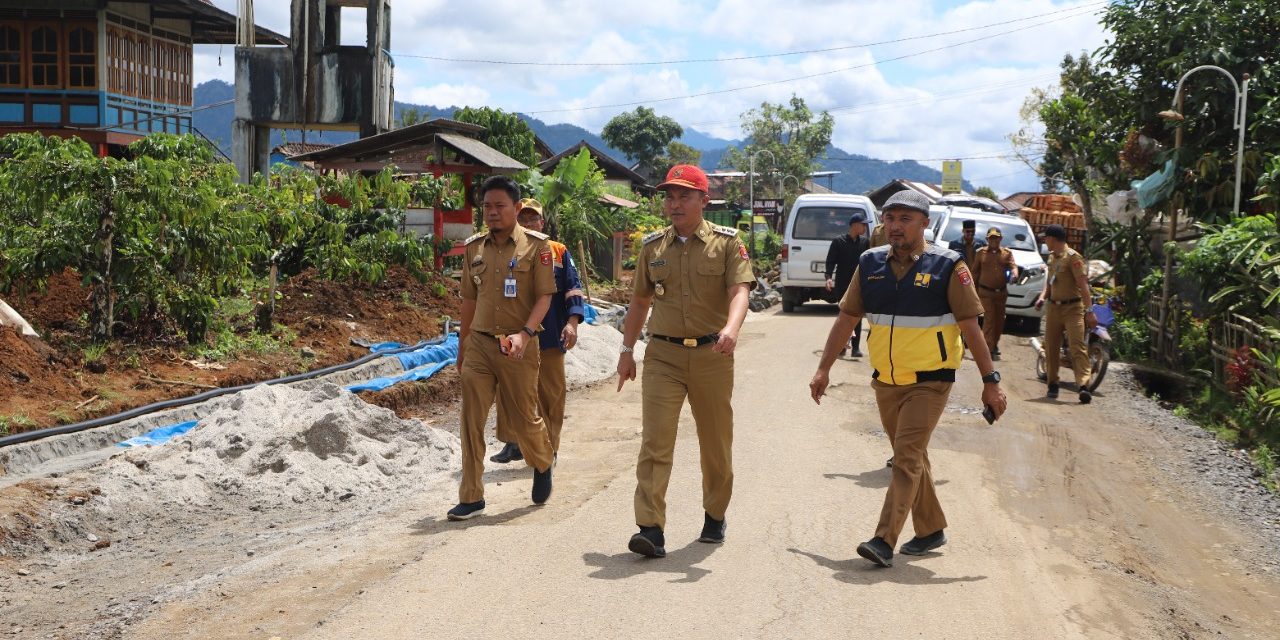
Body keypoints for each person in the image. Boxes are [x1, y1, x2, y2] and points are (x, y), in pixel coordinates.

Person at [808, 190, 1007, 568]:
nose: (895, 226)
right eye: (890, 218)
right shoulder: (869, 263)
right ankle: (931, 528)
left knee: (905, 456)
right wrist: (824, 368)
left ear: (924, 223)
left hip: (931, 380)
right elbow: (847, 318)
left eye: (905, 219)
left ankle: (884, 539)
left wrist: (990, 380)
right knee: (912, 456)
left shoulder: (948, 265)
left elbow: (971, 327)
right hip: (886, 380)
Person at [616, 164, 755, 558]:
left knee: (715, 443)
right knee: (656, 441)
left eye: (684, 196)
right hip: (663, 355)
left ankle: (714, 515)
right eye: (669, 196)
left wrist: (731, 329)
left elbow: (740, 290)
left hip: (713, 354)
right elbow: (640, 301)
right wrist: (627, 352)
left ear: (703, 201)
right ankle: (650, 528)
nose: (674, 204)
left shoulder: (728, 243)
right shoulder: (652, 248)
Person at [448, 176, 558, 521]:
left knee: (525, 420)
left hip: (519, 345)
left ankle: (542, 461)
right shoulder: (474, 248)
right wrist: (463, 346)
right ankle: (472, 495)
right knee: (470, 421)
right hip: (480, 344)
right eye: (487, 207)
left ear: (517, 208)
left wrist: (525, 334)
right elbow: (468, 299)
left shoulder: (537, 247)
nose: (492, 213)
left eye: (499, 206)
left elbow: (545, 296)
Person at [490, 199, 587, 464]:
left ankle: (548, 449)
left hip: (551, 335)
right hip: (514, 334)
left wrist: (573, 322)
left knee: (550, 394)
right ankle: (514, 443)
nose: (529, 224)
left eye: (534, 219)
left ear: (542, 223)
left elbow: (573, 288)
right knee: (510, 391)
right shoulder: (503, 250)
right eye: (524, 219)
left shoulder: (558, 251)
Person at [1034, 224, 1095, 404]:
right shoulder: (1052, 258)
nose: (1045, 241)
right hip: (1054, 308)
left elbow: (1083, 286)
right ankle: (1053, 384)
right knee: (1051, 348)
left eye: (1046, 238)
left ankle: (1083, 386)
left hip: (1073, 309)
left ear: (1053, 239)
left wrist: (1089, 311)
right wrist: (1042, 297)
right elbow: (1050, 283)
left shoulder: (1073, 258)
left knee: (1077, 346)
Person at [824, 212, 870, 357]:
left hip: (859, 284)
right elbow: (830, 261)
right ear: (855, 225)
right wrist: (828, 277)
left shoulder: (865, 243)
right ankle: (841, 346)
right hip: (842, 284)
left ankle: (855, 348)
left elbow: (869, 263)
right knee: (845, 316)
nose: (865, 227)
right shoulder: (838, 242)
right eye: (863, 224)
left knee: (857, 314)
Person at [971, 227, 1019, 359]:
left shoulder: (1006, 253)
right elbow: (975, 272)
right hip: (985, 292)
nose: (994, 241)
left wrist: (1015, 274)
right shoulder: (980, 253)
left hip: (1001, 293)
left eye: (996, 238)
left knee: (999, 322)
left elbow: (1013, 266)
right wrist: (971, 290)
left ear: (1000, 239)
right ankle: (987, 349)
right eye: (991, 238)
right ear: (987, 239)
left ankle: (993, 344)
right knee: (990, 320)